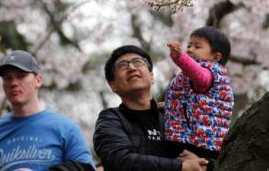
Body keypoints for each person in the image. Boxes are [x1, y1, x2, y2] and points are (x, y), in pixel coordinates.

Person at [94, 45, 210, 171]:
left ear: (152, 76)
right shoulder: (110, 119)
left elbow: (219, 154)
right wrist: (180, 167)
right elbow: (118, 160)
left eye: (138, 62)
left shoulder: (176, 116)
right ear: (113, 85)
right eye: (122, 65)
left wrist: (204, 163)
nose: (132, 68)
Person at [0, 50, 94, 171]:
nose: (13, 83)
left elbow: (86, 169)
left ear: (38, 80)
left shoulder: (67, 129)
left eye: (21, 76)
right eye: (7, 78)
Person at [164, 26, 234, 160]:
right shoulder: (196, 74)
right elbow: (188, 100)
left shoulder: (209, 73)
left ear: (216, 57)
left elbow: (197, 74)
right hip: (196, 140)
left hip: (196, 143)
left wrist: (180, 57)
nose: (190, 49)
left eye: (197, 46)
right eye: (189, 45)